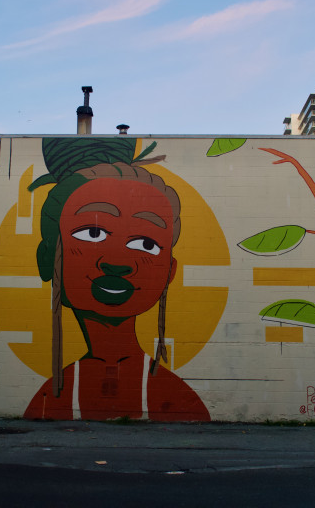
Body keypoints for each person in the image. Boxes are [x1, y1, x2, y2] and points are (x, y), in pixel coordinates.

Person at [23, 139, 210, 421]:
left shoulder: (176, 398)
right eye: (92, 234)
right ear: (47, 258)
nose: (118, 262)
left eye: (146, 243)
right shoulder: (49, 397)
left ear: (168, 272)